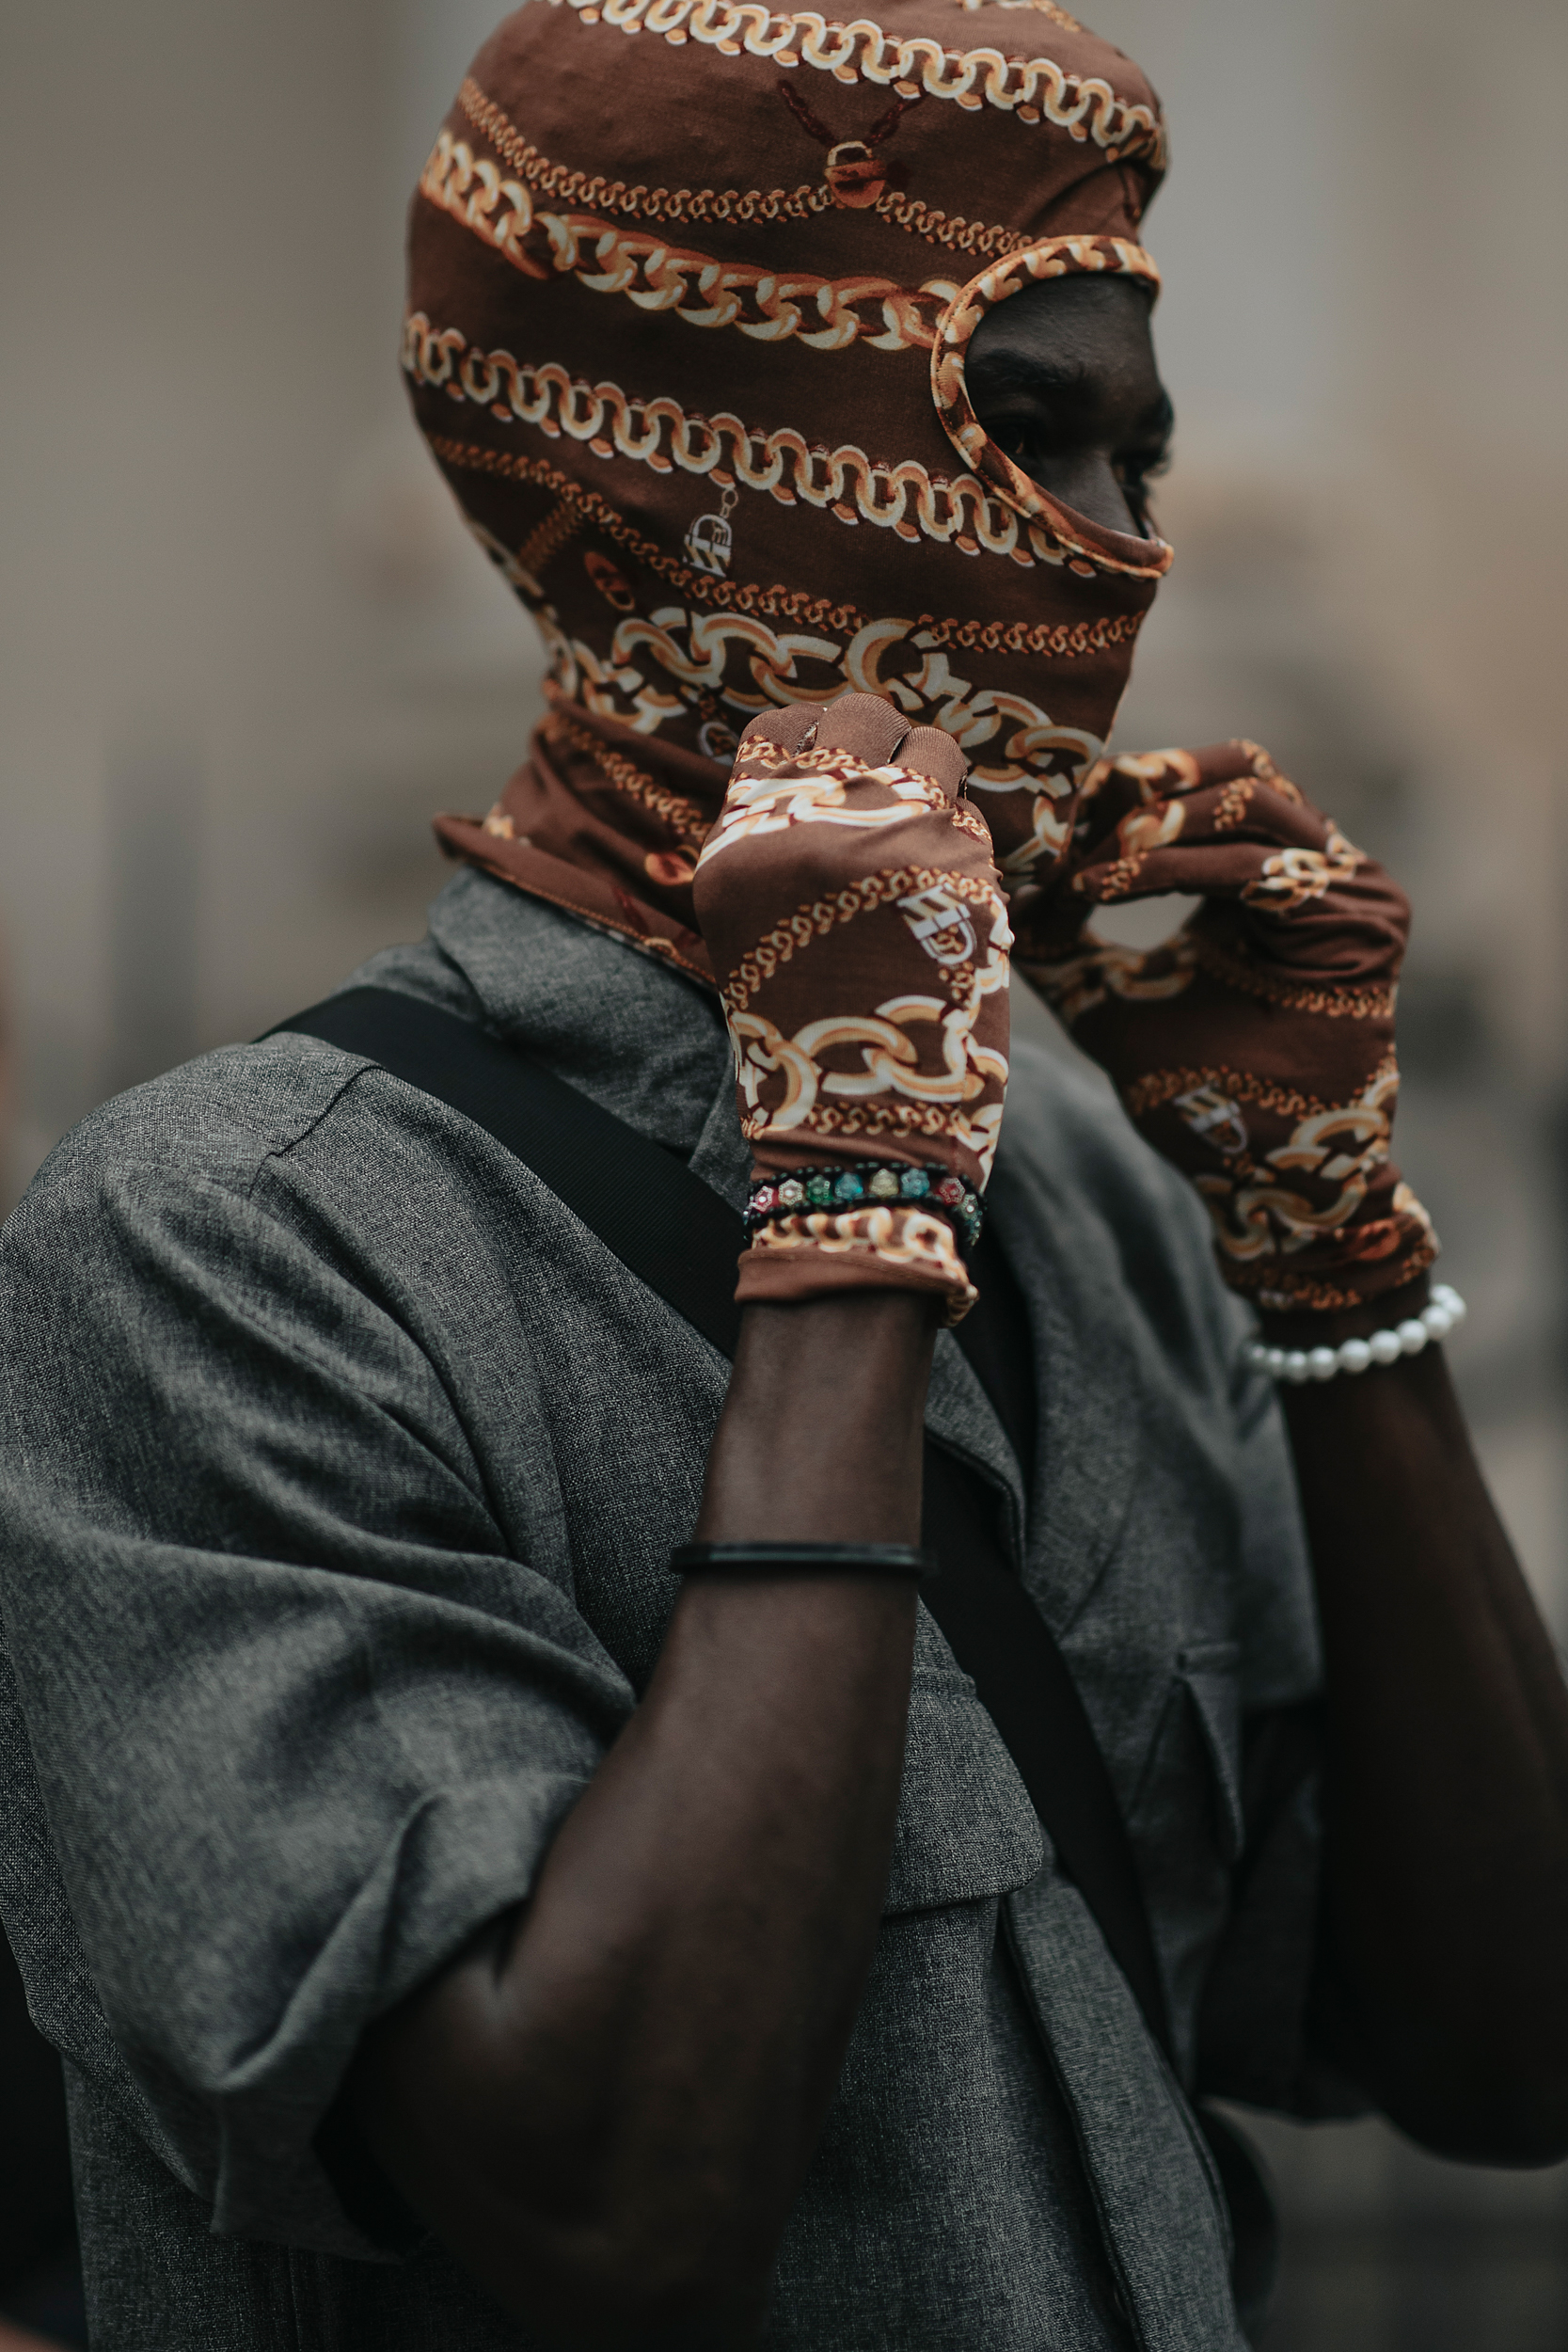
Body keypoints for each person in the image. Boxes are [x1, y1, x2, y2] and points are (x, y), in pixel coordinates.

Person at [3, 5, 1567, 2348]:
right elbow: (607, 2195)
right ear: (670, 470)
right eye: (1022, 436)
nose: (1121, 569)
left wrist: (1322, 1242)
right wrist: (845, 1219)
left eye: (1147, 460)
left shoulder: (1084, 1203)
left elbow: (1499, 2048)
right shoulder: (226, 1253)